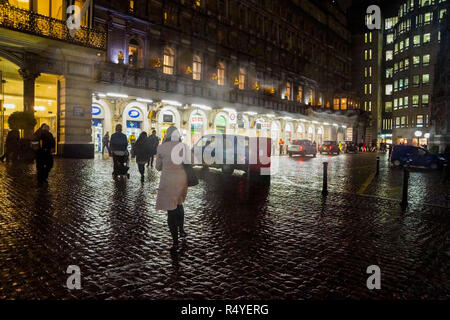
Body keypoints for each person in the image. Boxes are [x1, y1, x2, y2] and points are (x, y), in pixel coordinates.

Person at [155, 126, 188, 251]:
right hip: (181, 180)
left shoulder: (161, 148)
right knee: (179, 204)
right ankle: (182, 230)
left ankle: (175, 241)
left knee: (171, 210)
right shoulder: (183, 147)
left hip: (168, 182)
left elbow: (158, 167)